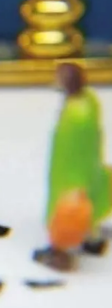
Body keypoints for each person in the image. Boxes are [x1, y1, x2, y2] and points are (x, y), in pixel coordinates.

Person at [33, 62, 112, 271]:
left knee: (68, 210)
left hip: (71, 170)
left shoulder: (77, 113)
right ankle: (91, 236)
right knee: (91, 199)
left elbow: (72, 143)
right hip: (86, 166)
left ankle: (60, 253)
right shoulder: (88, 102)